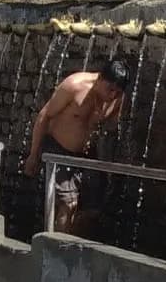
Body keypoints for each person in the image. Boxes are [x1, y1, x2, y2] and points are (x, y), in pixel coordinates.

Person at [23, 58, 131, 235]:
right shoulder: (74, 86)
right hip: (58, 149)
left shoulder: (117, 99)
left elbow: (111, 129)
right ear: (100, 79)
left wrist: (110, 163)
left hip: (87, 154)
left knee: (95, 207)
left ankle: (67, 239)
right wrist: (33, 154)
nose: (112, 95)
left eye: (117, 92)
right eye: (110, 89)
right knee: (68, 203)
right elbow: (44, 116)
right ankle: (54, 249)